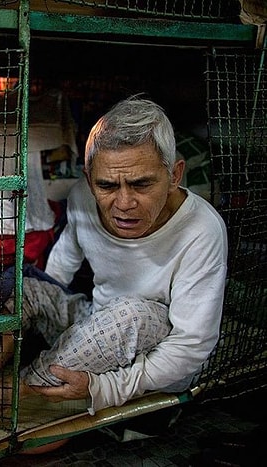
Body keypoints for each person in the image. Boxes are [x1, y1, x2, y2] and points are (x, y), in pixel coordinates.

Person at [15, 95, 228, 414]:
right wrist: (40, 309)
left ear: (174, 175)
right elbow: (62, 262)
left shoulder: (203, 228)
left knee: (132, 316)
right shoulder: (82, 199)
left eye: (142, 185)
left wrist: (106, 388)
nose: (124, 202)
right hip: (98, 321)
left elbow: (190, 346)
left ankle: (15, 396)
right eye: (107, 186)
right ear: (89, 180)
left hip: (160, 355)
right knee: (20, 287)